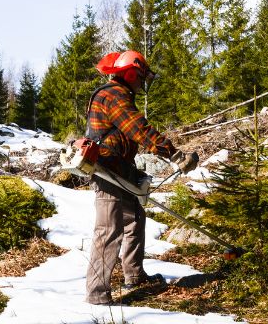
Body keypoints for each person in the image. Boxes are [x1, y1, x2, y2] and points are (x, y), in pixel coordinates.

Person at [84, 50, 198, 305]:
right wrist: (174, 154)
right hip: (106, 169)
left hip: (121, 167)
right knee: (108, 229)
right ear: (130, 72)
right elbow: (138, 129)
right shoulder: (114, 95)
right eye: (141, 76)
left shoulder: (119, 94)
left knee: (134, 218)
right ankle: (97, 294)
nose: (142, 82)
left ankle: (134, 275)